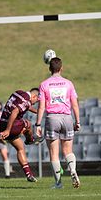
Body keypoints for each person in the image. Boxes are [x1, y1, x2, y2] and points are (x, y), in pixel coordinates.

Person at [35, 57, 81, 189]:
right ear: (61, 68)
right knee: (68, 150)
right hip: (67, 117)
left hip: (52, 118)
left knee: (54, 154)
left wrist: (38, 124)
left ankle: (59, 183)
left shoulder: (44, 84)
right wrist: (78, 121)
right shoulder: (69, 83)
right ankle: (72, 169)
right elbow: (75, 105)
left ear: (50, 69)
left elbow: (41, 107)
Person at [0, 88, 41, 182]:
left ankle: (28, 174)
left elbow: (26, 106)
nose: (35, 103)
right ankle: (30, 140)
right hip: (11, 126)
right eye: (36, 101)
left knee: (20, 148)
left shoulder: (18, 93)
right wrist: (8, 130)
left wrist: (39, 112)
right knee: (28, 124)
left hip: (2, 124)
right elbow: (15, 112)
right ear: (34, 96)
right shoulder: (26, 101)